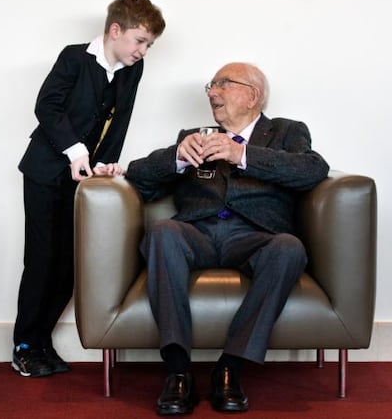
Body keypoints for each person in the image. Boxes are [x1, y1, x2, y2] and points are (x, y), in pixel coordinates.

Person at [125, 62, 330, 414]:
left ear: (253, 95)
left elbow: (313, 170)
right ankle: (178, 371)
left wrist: (242, 154)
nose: (211, 92)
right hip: (196, 231)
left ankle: (230, 367)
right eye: (210, 85)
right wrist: (175, 157)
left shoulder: (285, 131)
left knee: (289, 248)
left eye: (223, 84)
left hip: (256, 235)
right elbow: (139, 179)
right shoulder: (194, 134)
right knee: (162, 232)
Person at [14, 0, 165, 378]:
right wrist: (76, 151)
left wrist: (104, 161)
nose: (143, 51)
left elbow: (121, 119)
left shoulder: (133, 69)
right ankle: (25, 346)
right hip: (46, 171)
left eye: (149, 45)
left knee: (70, 263)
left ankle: (43, 341)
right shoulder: (73, 57)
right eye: (139, 41)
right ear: (115, 30)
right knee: (42, 258)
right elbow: (46, 106)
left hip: (84, 178)